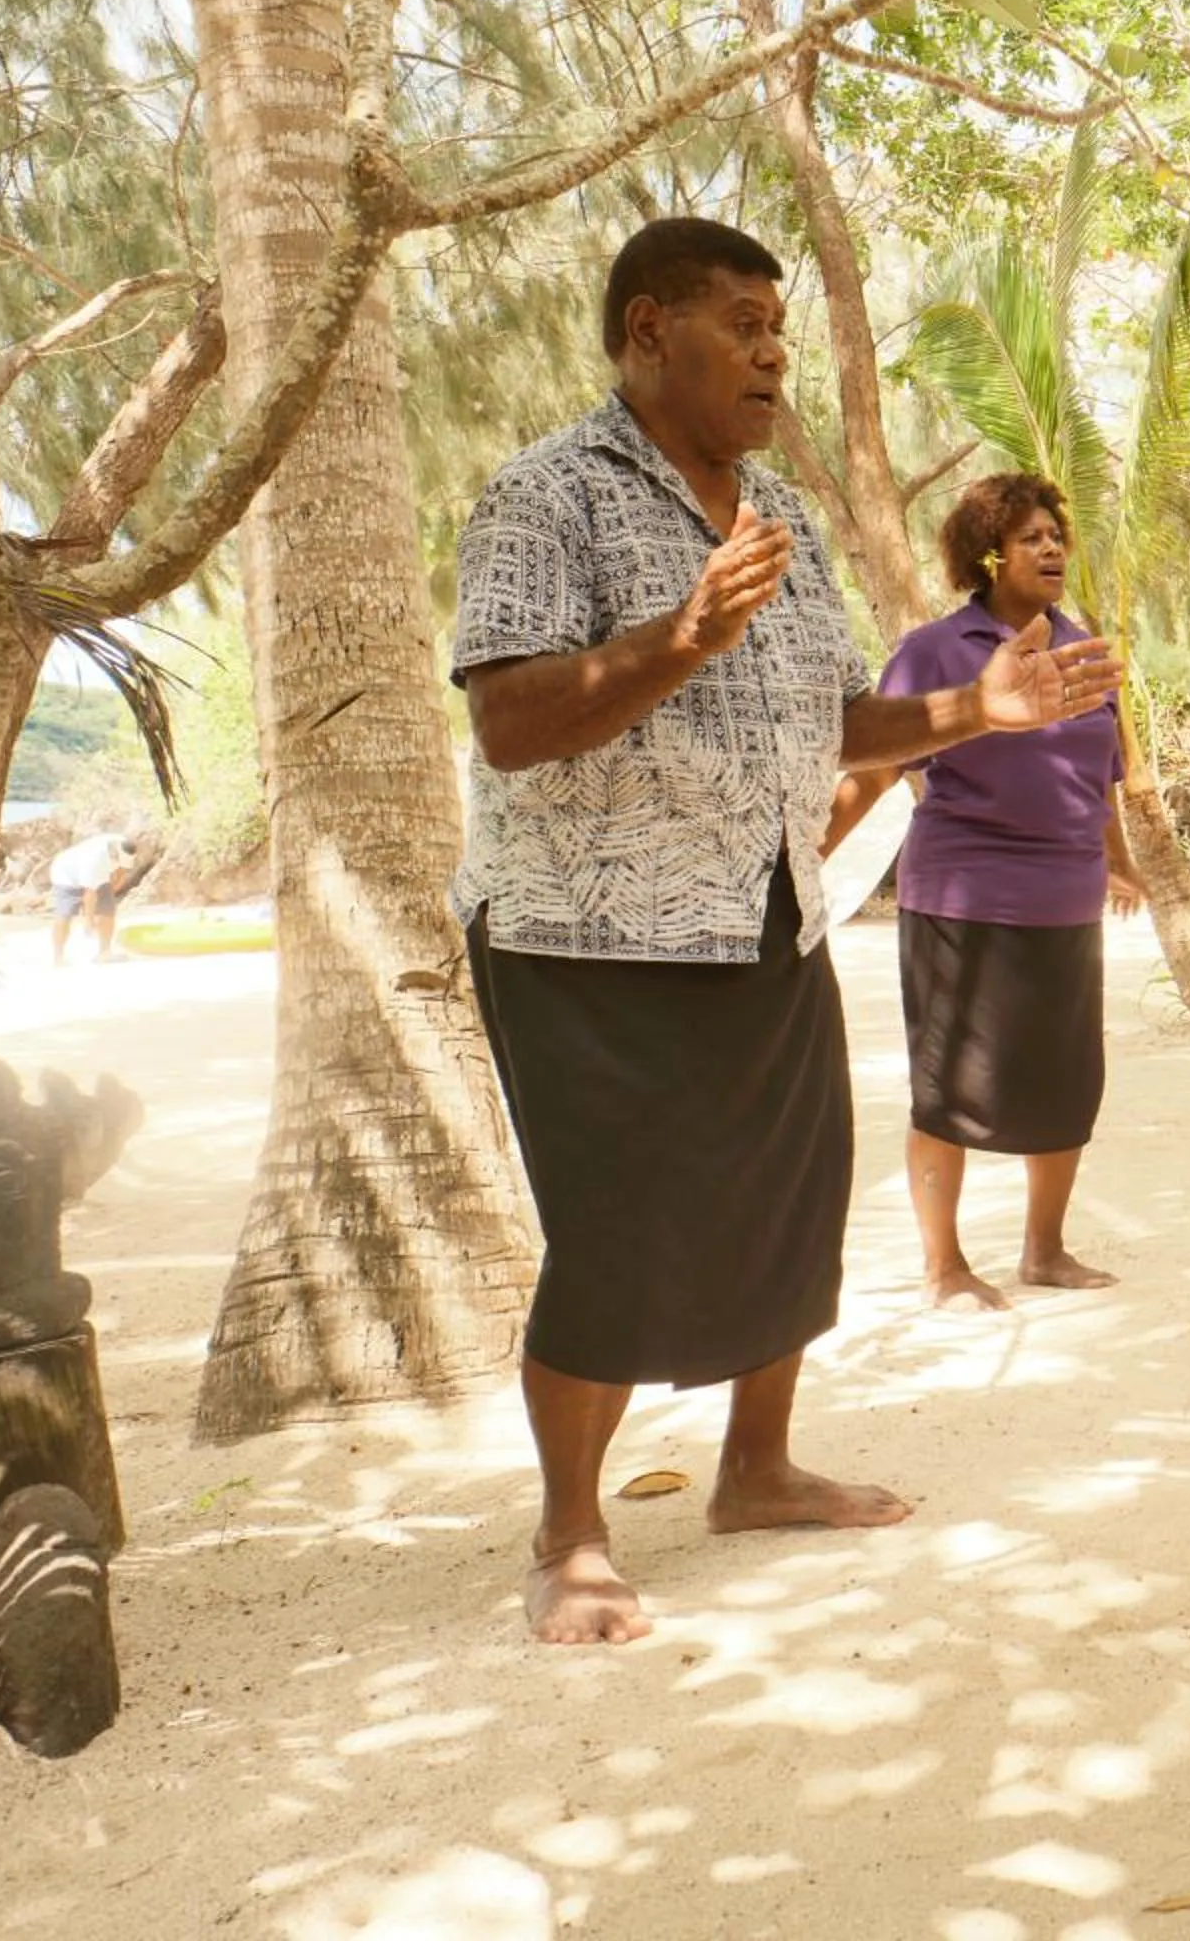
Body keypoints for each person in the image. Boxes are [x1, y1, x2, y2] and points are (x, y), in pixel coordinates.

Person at [450, 217, 1123, 1645]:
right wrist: (675, 641)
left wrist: (975, 713)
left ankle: (755, 1469)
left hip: (766, 910)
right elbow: (510, 721)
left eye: (781, 328)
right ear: (646, 332)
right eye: (743, 323)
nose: (772, 353)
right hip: (587, 933)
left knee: (793, 1193)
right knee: (615, 1229)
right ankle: (570, 1532)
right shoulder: (544, 495)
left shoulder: (781, 519)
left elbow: (835, 716)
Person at [875, 472, 1145, 1313]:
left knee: (1066, 1080)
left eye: (1056, 535)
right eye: (1031, 536)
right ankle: (944, 1266)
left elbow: (1103, 769)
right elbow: (881, 761)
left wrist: (1119, 860)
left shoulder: (1080, 644)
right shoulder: (935, 650)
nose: (1052, 547)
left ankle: (1045, 1250)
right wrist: (813, 850)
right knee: (946, 1086)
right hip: (962, 900)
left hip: (1065, 902)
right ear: (990, 553)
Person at [47, 831, 134, 966]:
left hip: (98, 874)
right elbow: (89, 894)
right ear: (114, 855)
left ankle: (104, 953)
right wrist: (89, 921)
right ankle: (58, 958)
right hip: (66, 874)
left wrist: (110, 894)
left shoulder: (125, 845)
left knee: (108, 909)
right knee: (65, 914)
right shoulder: (93, 859)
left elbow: (122, 872)